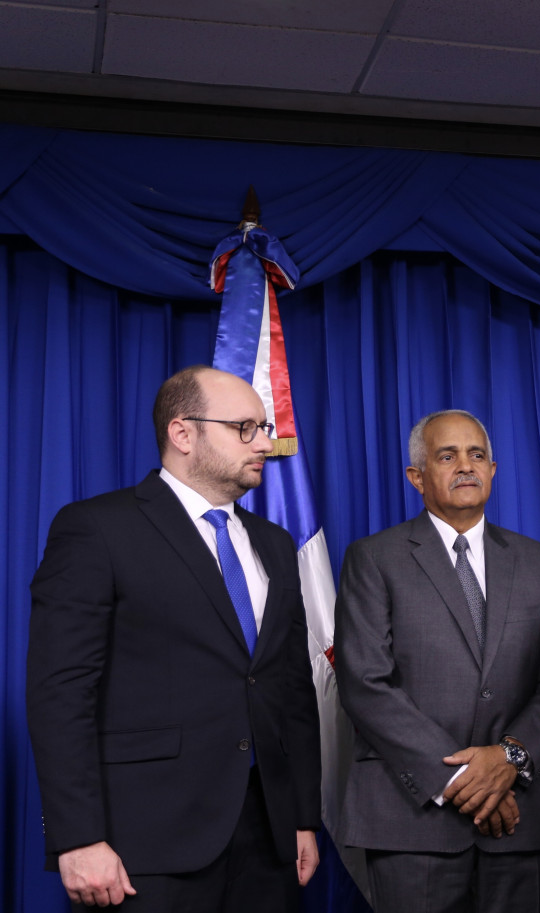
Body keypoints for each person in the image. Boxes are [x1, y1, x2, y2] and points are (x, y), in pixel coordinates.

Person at [27, 365, 322, 911]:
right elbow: (60, 693)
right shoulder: (97, 528)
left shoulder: (276, 543)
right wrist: (77, 836)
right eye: (246, 428)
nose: (265, 443)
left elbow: (292, 690)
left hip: (269, 839)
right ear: (183, 433)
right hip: (143, 842)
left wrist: (303, 815)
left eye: (263, 428)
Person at [334, 409, 540, 913]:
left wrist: (508, 759)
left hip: (516, 819)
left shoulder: (538, 562)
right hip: (411, 820)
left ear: (493, 470)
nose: (466, 465)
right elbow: (365, 683)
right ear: (416, 477)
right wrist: (463, 780)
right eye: (447, 456)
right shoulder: (373, 558)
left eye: (476, 454)